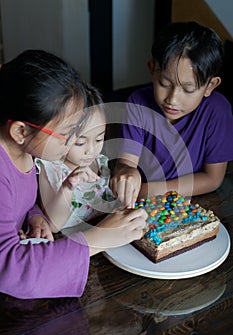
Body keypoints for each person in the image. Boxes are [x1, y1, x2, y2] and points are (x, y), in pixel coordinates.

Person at [0, 49, 147, 299]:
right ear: (20, 132)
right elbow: (9, 271)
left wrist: (34, 217)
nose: (72, 144)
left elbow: (16, 206)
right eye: (68, 134)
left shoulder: (27, 151)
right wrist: (98, 239)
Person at [110, 21, 233, 207]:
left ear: (210, 86)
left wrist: (150, 191)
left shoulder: (218, 110)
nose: (172, 99)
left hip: (192, 203)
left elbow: (213, 178)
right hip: (141, 205)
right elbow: (126, 163)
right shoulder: (137, 103)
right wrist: (126, 173)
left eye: (188, 90)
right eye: (164, 84)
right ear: (152, 70)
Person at [36, 85, 116, 233]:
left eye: (99, 139)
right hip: (72, 242)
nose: (91, 151)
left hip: (104, 233)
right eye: (80, 143)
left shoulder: (100, 161)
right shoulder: (51, 168)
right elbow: (53, 226)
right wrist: (68, 186)